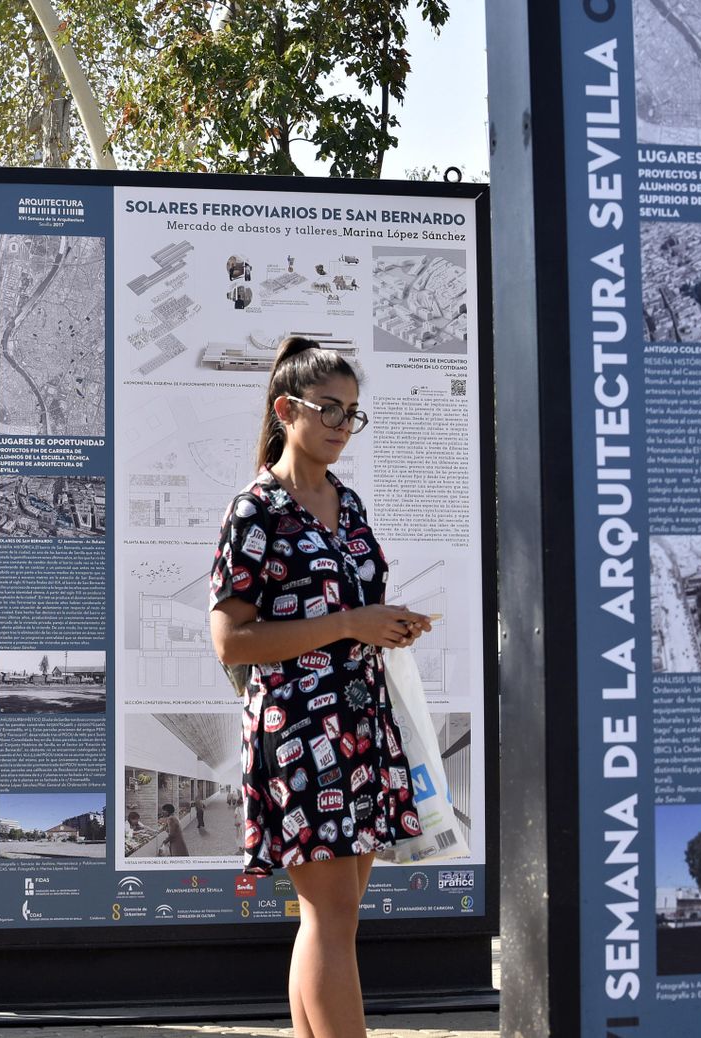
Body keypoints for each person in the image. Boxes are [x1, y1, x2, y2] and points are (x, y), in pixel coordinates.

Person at [208, 336, 431, 1038]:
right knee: (331, 918)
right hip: (301, 730)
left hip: (362, 723)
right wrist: (349, 622)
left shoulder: (349, 501)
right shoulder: (256, 511)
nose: (341, 424)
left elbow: (351, 615)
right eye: (328, 408)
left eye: (352, 412)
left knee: (331, 918)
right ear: (286, 409)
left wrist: (386, 626)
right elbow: (231, 642)